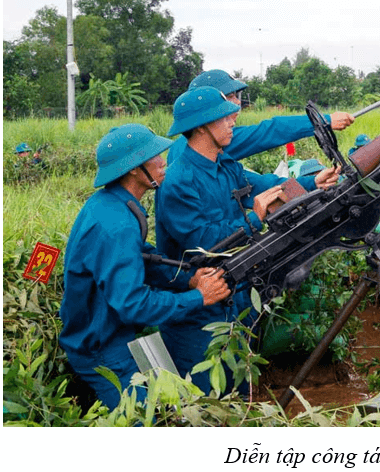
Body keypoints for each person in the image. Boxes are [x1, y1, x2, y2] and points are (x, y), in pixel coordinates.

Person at [154, 86, 341, 395]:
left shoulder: (225, 164)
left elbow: (262, 187)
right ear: (201, 126)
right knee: (208, 398)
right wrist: (253, 217)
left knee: (242, 389)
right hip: (198, 309)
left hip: (234, 295)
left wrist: (311, 183)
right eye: (224, 117)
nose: (232, 121)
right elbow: (204, 245)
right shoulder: (178, 181)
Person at [58, 124, 230, 410]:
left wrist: (187, 278)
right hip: (101, 348)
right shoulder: (117, 226)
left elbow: (144, 258)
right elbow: (133, 304)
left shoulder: (113, 204)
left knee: (172, 405)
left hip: (117, 335)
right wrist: (198, 297)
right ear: (135, 169)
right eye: (155, 157)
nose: (164, 161)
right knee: (148, 419)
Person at [166, 69, 355, 164]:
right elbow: (269, 131)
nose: (238, 103)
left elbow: (237, 177)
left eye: (236, 96)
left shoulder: (186, 144)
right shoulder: (207, 142)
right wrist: (325, 121)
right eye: (230, 97)